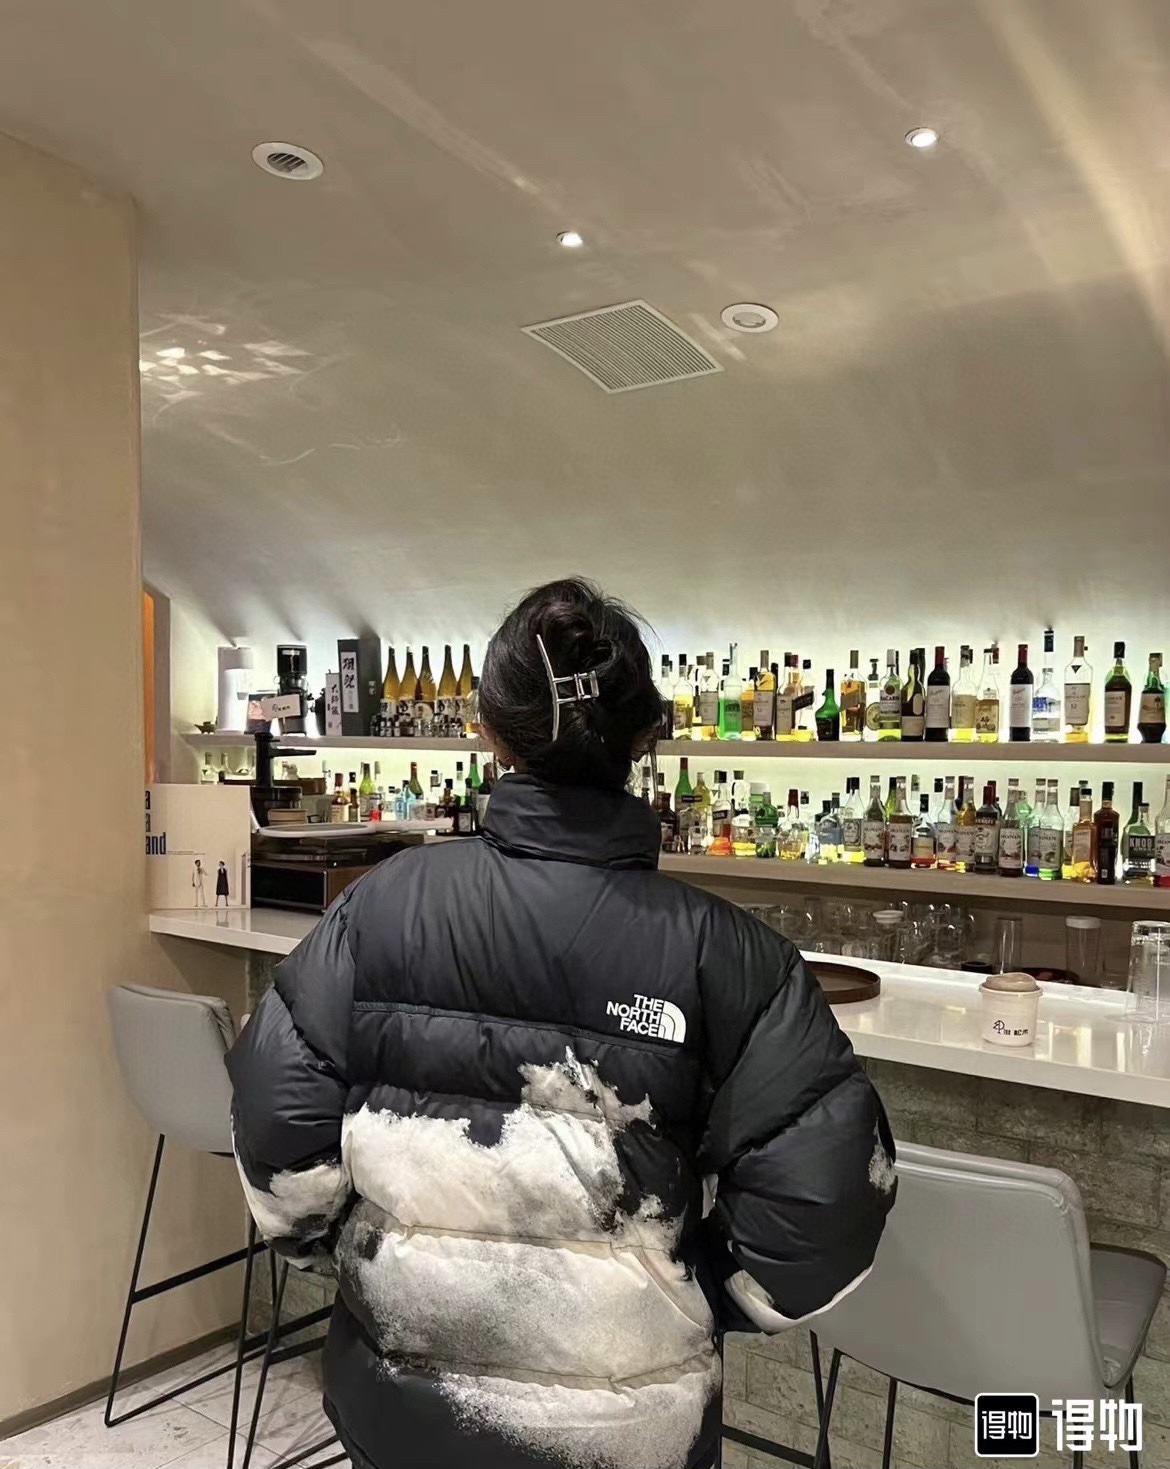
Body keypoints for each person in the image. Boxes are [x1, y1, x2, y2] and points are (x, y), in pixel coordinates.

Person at [226, 578, 895, 1469]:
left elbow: (275, 1136)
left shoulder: (380, 905)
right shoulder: (731, 954)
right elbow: (828, 1200)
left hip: (400, 1417)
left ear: (491, 733)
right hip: (629, 1440)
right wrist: (692, 1292)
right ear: (644, 735)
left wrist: (364, 1258)